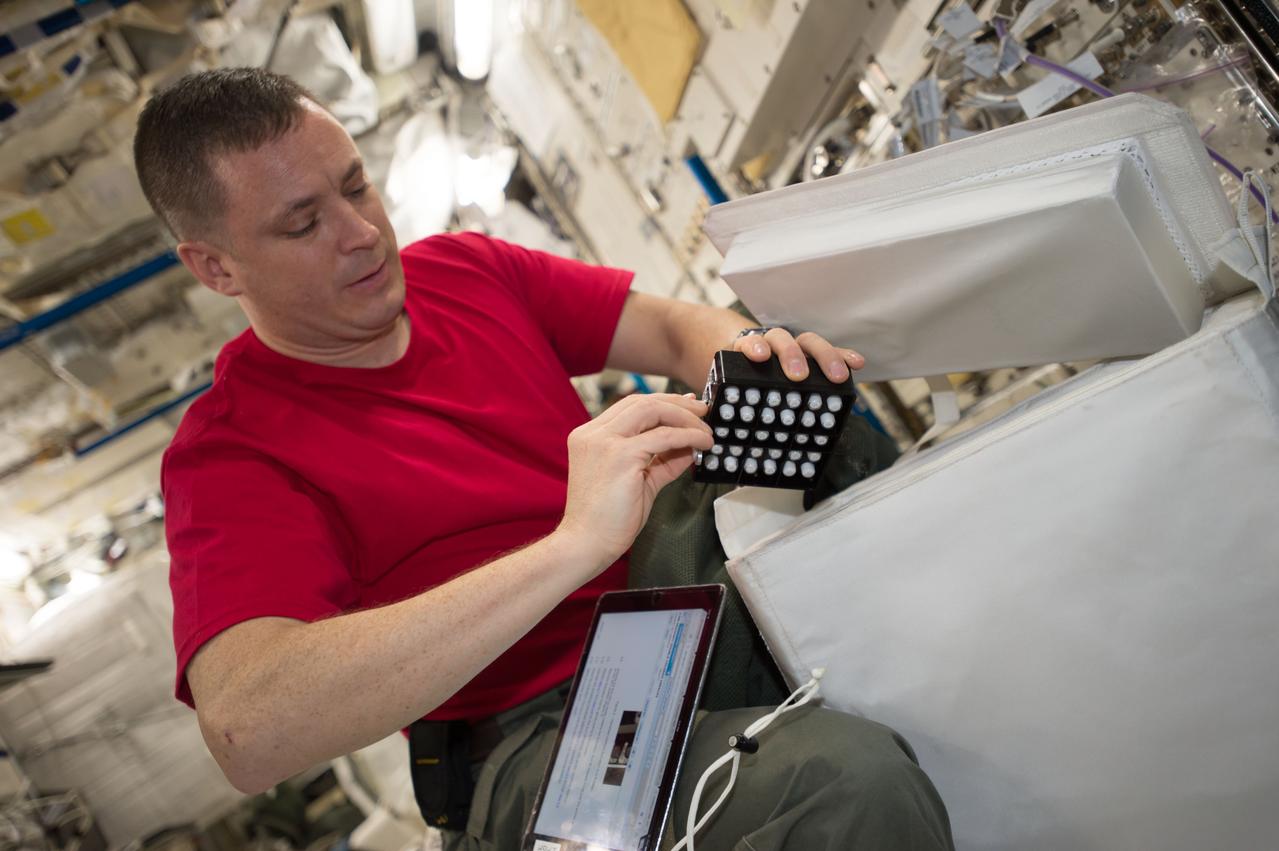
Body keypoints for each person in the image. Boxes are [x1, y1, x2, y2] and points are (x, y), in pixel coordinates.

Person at [135, 68, 954, 850]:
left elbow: (672, 329)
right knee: (844, 783)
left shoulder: (464, 270)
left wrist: (756, 354)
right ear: (215, 266)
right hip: (545, 727)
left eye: (356, 186)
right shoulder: (230, 454)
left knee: (811, 402)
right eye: (303, 224)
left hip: (667, 613)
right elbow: (250, 730)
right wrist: (572, 545)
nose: (361, 234)